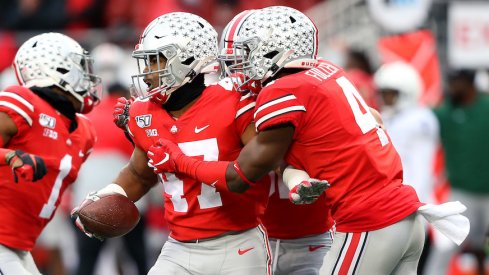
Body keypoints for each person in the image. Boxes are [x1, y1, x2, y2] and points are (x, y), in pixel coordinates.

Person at [147, 6, 468, 274]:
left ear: (276, 52)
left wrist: (180, 161)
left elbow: (241, 175)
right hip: (404, 216)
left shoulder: (283, 90)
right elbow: (374, 118)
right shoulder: (326, 71)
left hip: (369, 221)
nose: (238, 66)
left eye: (246, 53)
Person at [72, 12, 273, 274]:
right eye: (145, 62)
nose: (146, 72)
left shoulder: (235, 101)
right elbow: (140, 174)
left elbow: (261, 166)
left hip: (238, 244)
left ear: (188, 60)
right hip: (179, 246)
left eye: (155, 61)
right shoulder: (143, 112)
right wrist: (105, 196)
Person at [0, 32, 100, 275]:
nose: (87, 77)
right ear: (57, 70)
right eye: (80, 67)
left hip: (20, 245)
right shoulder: (23, 102)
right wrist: (11, 157)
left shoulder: (85, 131)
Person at [72, 83, 149, 275]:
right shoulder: (132, 116)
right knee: (138, 256)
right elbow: (143, 163)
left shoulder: (89, 117)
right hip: (127, 193)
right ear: (123, 94)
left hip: (88, 195)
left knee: (87, 260)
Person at [424, 69, 489, 275]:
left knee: (482, 247)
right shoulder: (445, 112)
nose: (451, 88)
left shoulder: (486, 106)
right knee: (447, 243)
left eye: (456, 83)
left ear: (469, 84)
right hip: (462, 192)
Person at [374, 61, 439, 204]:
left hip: (411, 198)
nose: (385, 98)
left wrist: (415, 202)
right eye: (383, 93)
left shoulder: (420, 119)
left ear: (406, 93)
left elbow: (420, 168)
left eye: (390, 94)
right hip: (391, 196)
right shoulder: (387, 116)